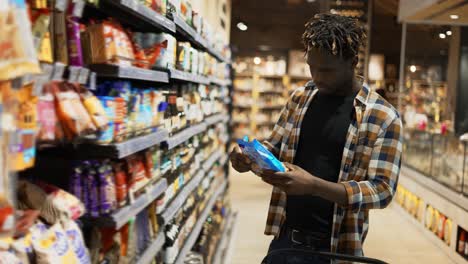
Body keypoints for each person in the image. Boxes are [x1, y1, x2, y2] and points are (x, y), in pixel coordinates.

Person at [230, 14, 403, 264]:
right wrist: (249, 158)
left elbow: (382, 190)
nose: (317, 77)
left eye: (327, 70)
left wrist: (314, 186)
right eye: (312, 66)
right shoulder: (301, 97)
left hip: (336, 247)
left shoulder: (383, 117)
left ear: (353, 62)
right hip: (285, 236)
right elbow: (275, 146)